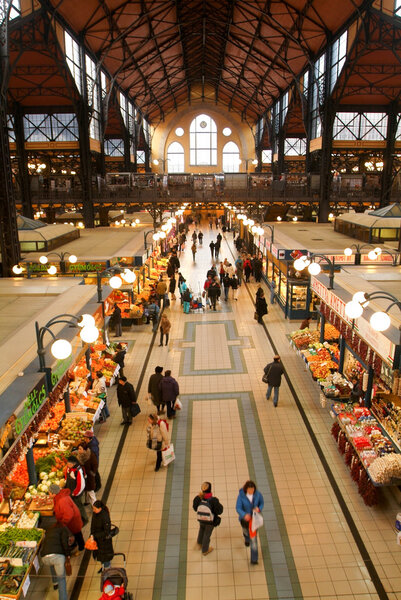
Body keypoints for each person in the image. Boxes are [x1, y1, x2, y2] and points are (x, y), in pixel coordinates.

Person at [49, 483, 85, 552]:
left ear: (54, 493)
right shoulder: (60, 496)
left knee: (77, 534)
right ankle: (78, 544)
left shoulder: (62, 500)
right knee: (77, 533)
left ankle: (81, 547)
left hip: (73, 521)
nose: (49, 495)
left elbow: (69, 515)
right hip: (72, 520)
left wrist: (63, 523)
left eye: (49, 493)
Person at [236, 480, 264, 565]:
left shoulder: (258, 495)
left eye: (252, 490)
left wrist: (258, 509)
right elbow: (238, 507)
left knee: (254, 540)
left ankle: (254, 559)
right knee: (245, 531)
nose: (251, 491)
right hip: (244, 520)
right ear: (246, 489)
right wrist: (244, 515)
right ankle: (246, 539)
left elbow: (261, 503)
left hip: (254, 521)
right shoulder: (241, 496)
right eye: (249, 490)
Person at [192, 482, 223, 557]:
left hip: (201, 519)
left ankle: (199, 543)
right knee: (207, 534)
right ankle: (205, 550)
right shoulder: (213, 500)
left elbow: (195, 508)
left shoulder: (198, 498)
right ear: (210, 490)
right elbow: (220, 511)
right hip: (210, 521)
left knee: (201, 529)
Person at [41, 523, 71, 600]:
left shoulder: (49, 530)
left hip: (45, 558)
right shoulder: (63, 530)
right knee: (61, 579)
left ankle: (55, 582)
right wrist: (68, 555)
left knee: (52, 563)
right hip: (57, 557)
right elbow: (65, 543)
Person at [90, 500, 114, 573]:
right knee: (100, 555)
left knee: (105, 556)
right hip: (98, 540)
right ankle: (103, 566)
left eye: (95, 509)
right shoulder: (95, 514)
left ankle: (107, 569)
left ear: (100, 508)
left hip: (104, 542)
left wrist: (95, 535)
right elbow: (92, 525)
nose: (93, 510)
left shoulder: (105, 516)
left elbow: (106, 532)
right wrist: (92, 534)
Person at [64, 455, 87, 525]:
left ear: (74, 464)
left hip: (76, 493)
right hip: (70, 491)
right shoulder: (68, 468)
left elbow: (81, 484)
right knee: (74, 506)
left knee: (79, 506)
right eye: (68, 463)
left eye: (70, 464)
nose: (68, 465)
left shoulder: (78, 471)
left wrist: (75, 493)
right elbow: (66, 476)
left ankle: (84, 520)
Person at [75, 441, 99, 505]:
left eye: (80, 449)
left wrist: (92, 473)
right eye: (78, 449)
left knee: (91, 492)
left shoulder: (90, 456)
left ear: (84, 449)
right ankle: (87, 501)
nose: (78, 450)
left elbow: (95, 465)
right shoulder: (79, 455)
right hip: (84, 475)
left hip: (89, 477)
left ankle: (95, 505)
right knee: (86, 489)